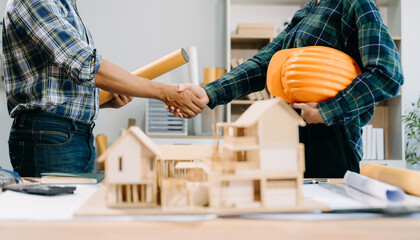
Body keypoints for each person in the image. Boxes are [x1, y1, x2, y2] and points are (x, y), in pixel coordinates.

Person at [171, 0, 403, 178]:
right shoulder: (307, 12)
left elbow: (387, 74)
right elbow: (263, 65)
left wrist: (327, 111)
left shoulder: (355, 3)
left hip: (330, 140)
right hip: (290, 134)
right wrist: (209, 92)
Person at [2, 0, 204, 177]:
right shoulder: (36, 1)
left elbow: (57, 86)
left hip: (72, 133)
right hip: (50, 135)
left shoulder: (64, 4)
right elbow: (86, 65)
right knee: (58, 217)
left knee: (75, 215)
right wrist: (163, 92)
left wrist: (104, 100)